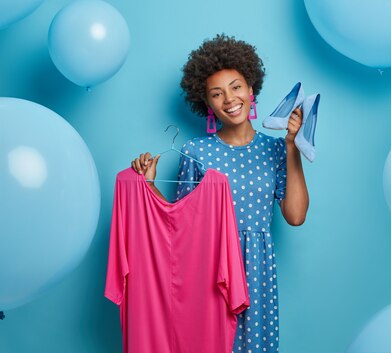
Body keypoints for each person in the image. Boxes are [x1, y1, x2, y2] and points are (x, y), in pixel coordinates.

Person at [131, 34, 309, 353]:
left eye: (236, 87)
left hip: (256, 268)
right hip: (209, 268)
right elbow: (179, 229)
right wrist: (149, 186)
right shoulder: (196, 152)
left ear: (251, 89)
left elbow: (295, 216)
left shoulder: (274, 150)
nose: (229, 99)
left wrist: (292, 147)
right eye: (217, 93)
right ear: (207, 103)